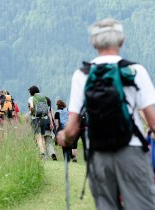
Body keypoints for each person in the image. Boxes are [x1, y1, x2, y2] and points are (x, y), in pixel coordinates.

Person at [57, 18, 155, 209]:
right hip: (132, 149)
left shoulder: (82, 74)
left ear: (94, 42)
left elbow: (72, 127)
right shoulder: (135, 70)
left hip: (98, 152)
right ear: (121, 40)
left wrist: (64, 138)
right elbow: (153, 121)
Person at [28, 85, 53, 158]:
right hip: (44, 119)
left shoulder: (31, 98)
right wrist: (51, 122)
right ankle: (45, 155)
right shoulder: (43, 98)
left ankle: (42, 153)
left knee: (37, 137)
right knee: (42, 137)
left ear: (31, 92)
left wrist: (31, 112)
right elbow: (48, 111)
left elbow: (32, 107)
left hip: (35, 119)